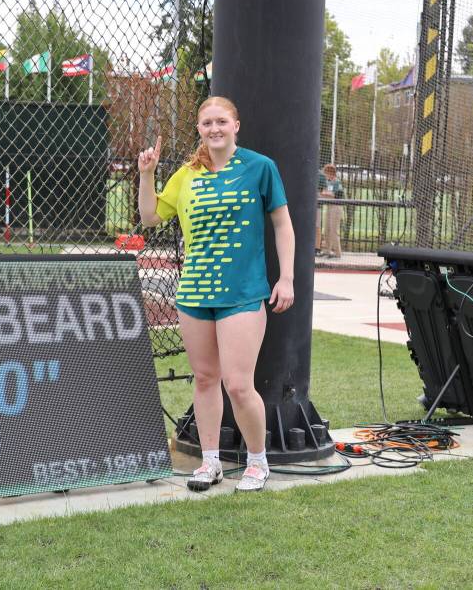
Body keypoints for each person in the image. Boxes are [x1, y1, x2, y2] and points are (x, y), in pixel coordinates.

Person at [137, 96, 295, 492]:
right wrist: (147, 174)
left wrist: (287, 278)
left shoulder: (261, 168)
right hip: (194, 294)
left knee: (239, 384)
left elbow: (283, 225)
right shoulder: (187, 175)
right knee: (206, 379)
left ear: (236, 125)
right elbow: (150, 216)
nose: (214, 128)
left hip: (242, 294)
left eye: (221, 121)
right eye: (207, 123)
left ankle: (257, 463)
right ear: (199, 128)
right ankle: (210, 463)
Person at [320, 163, 344, 258]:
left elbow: (337, 195)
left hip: (336, 208)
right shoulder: (328, 182)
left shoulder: (337, 182)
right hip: (329, 206)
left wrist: (327, 193)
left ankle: (338, 253)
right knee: (327, 229)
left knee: (334, 230)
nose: (325, 175)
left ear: (331, 173)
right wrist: (327, 193)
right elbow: (324, 192)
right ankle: (327, 250)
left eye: (326, 173)